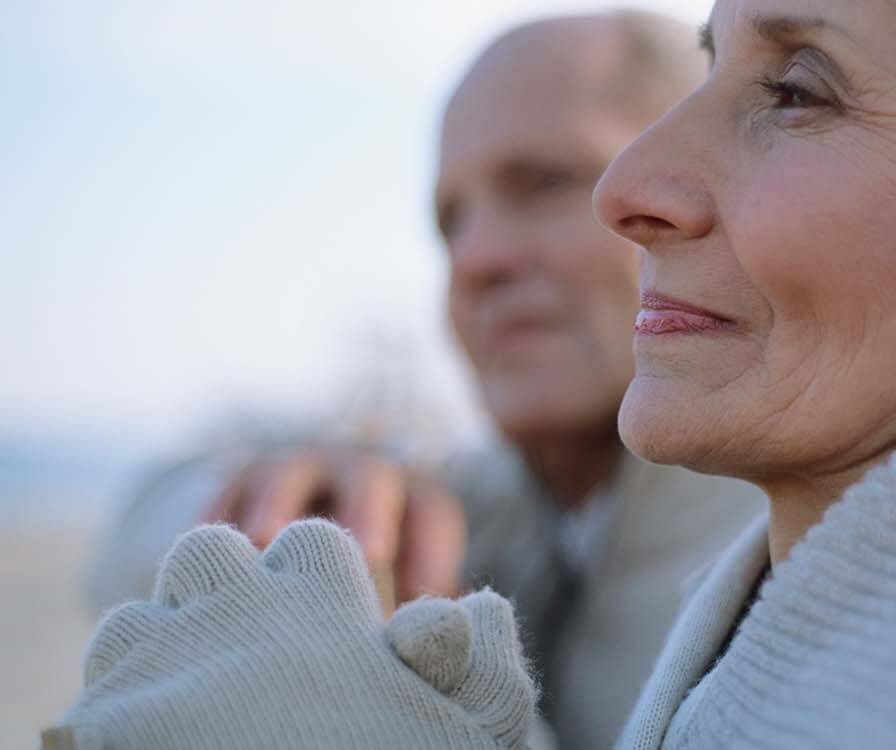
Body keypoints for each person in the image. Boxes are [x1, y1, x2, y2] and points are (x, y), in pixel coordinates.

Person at [58, 0, 896, 747]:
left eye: (796, 88)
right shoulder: (671, 551)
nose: (631, 189)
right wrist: (298, 492)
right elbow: (146, 534)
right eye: (449, 219)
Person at [78, 11, 765, 750]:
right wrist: (299, 497)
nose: (474, 260)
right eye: (450, 222)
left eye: (544, 184)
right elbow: (125, 544)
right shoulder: (495, 510)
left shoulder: (792, 578)